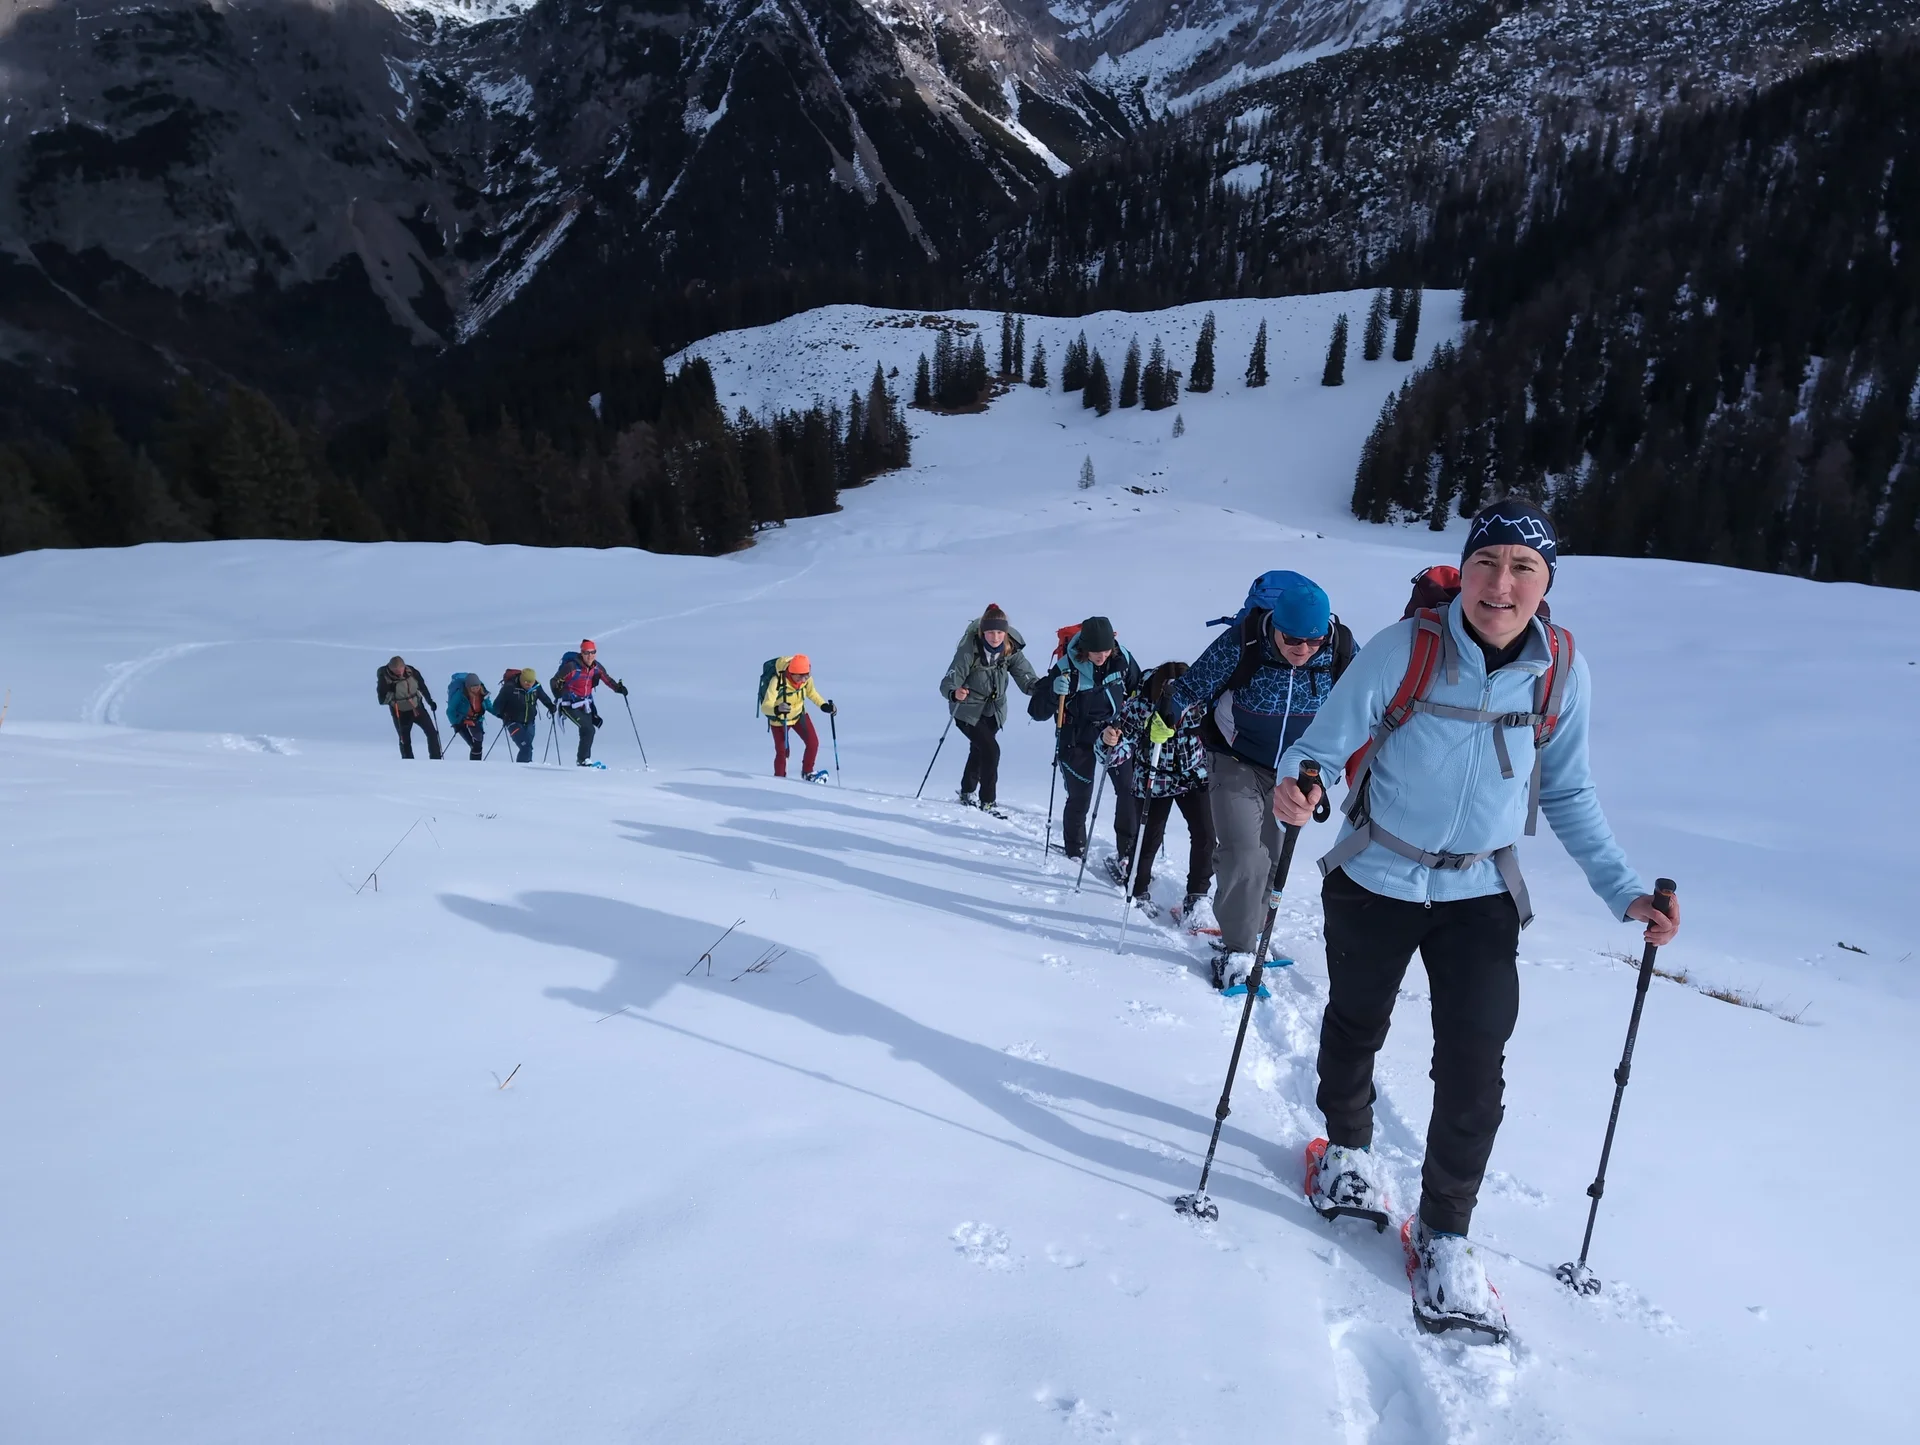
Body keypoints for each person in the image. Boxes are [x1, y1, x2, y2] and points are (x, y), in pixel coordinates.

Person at [1274, 498, 1681, 1335]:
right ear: (1466, 570)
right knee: (1357, 1020)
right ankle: (1346, 1149)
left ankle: (1446, 1229)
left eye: (1523, 568)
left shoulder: (1561, 670)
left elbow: (1566, 791)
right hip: (1375, 871)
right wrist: (1299, 782)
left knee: (1474, 1064)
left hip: (1480, 894)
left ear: (1546, 583)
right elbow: (1318, 745)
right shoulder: (1404, 650)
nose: (1502, 584)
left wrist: (1624, 891)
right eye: (1488, 563)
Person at [1159, 572, 1355, 988]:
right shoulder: (1244, 642)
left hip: (1295, 769)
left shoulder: (1340, 649)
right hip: (1235, 759)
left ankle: (1253, 926)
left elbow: (1367, 700)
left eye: (1314, 641)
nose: (1304, 650)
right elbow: (1192, 684)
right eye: (1293, 640)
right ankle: (1238, 948)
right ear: (1275, 627)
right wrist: (1167, 714)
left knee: (1273, 857)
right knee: (1244, 854)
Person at [1104, 661, 1215, 929]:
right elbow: (1117, 747)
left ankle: (1197, 896)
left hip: (1192, 775)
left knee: (1206, 834)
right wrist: (1109, 742)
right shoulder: (1141, 706)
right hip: (1155, 775)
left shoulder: (1199, 704)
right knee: (1150, 834)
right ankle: (1137, 886)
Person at [1027, 616, 1143, 864]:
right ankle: (1074, 851)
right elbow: (1036, 712)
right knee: (1080, 796)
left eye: (1106, 650)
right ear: (1084, 648)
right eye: (1095, 651)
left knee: (1127, 790)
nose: (1101, 656)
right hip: (1076, 737)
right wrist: (1052, 692)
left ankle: (1127, 854)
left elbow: (1138, 690)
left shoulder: (1123, 660)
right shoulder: (1065, 667)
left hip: (1113, 732)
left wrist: (1126, 724)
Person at [940, 603, 1038, 816]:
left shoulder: (1010, 649)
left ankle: (966, 791)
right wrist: (954, 692)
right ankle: (987, 801)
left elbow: (1026, 676)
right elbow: (949, 680)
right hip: (966, 710)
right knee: (991, 750)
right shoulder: (969, 651)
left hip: (994, 711)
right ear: (982, 632)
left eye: (1000, 632)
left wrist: (1038, 688)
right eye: (991, 632)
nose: (995, 637)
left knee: (979, 750)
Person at [760, 654, 836, 781]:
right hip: (779, 720)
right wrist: (777, 709)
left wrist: (823, 706)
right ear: (792, 672)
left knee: (813, 743)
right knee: (782, 752)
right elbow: (765, 706)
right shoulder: (777, 681)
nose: (804, 679)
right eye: (800, 676)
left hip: (799, 715)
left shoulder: (806, 679)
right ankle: (779, 780)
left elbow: (812, 693)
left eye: (806, 675)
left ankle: (808, 772)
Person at [551, 640, 627, 767]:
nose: (590, 656)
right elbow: (553, 681)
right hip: (568, 705)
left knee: (587, 730)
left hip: (584, 704)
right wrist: (558, 696)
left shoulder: (596, 667)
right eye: (586, 653)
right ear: (582, 653)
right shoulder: (572, 667)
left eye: (593, 652)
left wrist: (618, 688)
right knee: (588, 729)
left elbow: (607, 679)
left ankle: (584, 760)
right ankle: (583, 760)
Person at [376, 655, 441, 760]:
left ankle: (436, 759)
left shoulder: (412, 672)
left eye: (400, 670)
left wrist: (430, 701)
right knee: (405, 740)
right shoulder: (384, 678)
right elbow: (382, 700)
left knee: (432, 733)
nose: (399, 673)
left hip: (417, 707)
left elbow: (422, 686)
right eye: (396, 672)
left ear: (404, 666)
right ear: (390, 669)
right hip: (400, 711)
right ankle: (409, 763)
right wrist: (392, 692)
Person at [495, 668, 556, 763]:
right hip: (513, 722)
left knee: (528, 747)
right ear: (520, 679)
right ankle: (524, 769)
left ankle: (524, 767)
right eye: (525, 681)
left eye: (530, 682)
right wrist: (502, 715)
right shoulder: (510, 687)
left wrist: (551, 706)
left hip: (530, 722)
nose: (528, 684)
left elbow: (544, 697)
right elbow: (497, 704)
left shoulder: (536, 687)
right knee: (526, 747)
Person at [446, 673, 496, 760]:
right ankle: (474, 765)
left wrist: (500, 714)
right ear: (468, 687)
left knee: (478, 743)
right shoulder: (460, 694)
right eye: (473, 688)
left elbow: (488, 706)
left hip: (476, 720)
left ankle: (476, 764)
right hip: (462, 721)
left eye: (477, 687)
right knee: (474, 745)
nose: (476, 689)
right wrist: (455, 723)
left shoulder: (483, 693)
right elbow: (450, 710)